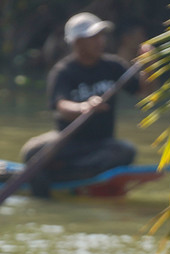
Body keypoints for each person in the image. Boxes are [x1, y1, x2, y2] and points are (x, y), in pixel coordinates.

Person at [19, 12, 150, 198]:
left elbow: (143, 90)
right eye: (93, 37)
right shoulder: (63, 71)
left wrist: (149, 66)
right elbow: (61, 106)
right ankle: (52, 188)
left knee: (126, 151)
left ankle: (65, 174)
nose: (100, 41)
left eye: (101, 36)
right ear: (77, 42)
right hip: (68, 143)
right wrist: (84, 107)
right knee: (31, 151)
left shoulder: (113, 66)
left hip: (100, 144)